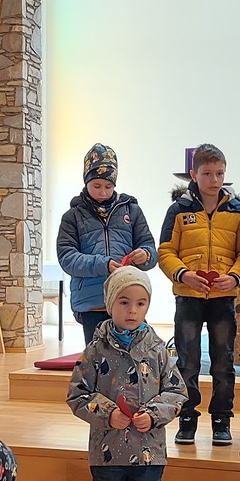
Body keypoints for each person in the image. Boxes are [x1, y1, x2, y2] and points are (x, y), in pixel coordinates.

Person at [67, 266, 186, 481]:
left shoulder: (159, 350)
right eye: (124, 302)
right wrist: (107, 413)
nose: (132, 310)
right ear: (110, 304)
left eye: (140, 303)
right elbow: (77, 395)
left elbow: (177, 392)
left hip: (149, 457)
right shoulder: (94, 351)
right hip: (107, 458)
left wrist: (155, 414)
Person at [157, 143, 240, 446]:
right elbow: (165, 251)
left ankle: (222, 419)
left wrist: (234, 277)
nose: (215, 179)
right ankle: (186, 418)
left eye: (220, 173)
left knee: (223, 362)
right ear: (193, 174)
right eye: (208, 173)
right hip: (188, 298)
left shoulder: (236, 211)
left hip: (223, 299)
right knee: (187, 362)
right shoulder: (178, 210)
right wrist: (183, 274)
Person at [56, 143, 156, 346]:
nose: (102, 192)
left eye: (108, 187)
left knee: (134, 356)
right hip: (92, 302)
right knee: (97, 357)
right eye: (96, 186)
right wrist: (104, 264)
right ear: (86, 181)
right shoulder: (72, 216)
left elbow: (150, 248)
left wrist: (145, 255)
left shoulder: (132, 211)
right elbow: (67, 258)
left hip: (127, 298)